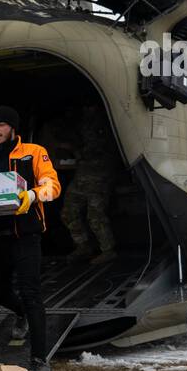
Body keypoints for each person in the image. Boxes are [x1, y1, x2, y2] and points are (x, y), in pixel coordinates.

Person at [0, 106, 61, 371]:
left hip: (25, 236)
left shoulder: (33, 151)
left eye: (1, 125)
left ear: (13, 128)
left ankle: (39, 359)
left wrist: (32, 196)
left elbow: (52, 185)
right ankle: (20, 314)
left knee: (32, 294)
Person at [60, 105, 118, 264]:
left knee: (95, 215)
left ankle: (108, 250)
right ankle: (83, 246)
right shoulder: (81, 123)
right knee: (68, 212)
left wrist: (74, 150)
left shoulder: (103, 123)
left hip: (99, 174)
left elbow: (100, 149)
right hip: (82, 173)